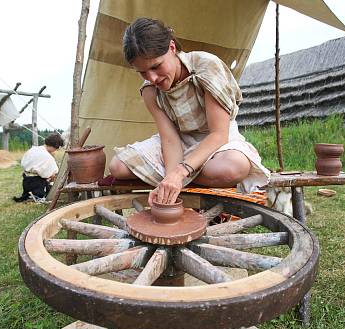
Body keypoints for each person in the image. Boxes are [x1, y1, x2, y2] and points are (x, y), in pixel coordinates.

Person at [109, 17, 272, 207]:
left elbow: (218, 134)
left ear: (172, 48)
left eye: (156, 66)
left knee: (234, 167)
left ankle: (181, 179)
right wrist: (172, 176)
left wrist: (180, 173)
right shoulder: (150, 90)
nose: (152, 78)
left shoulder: (206, 68)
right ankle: (177, 182)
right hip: (179, 142)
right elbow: (169, 139)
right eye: (143, 72)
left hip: (217, 142)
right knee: (118, 166)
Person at [13, 133, 64, 202]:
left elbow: (23, 163)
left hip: (26, 181)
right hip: (36, 183)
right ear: (55, 146)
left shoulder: (32, 150)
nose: (56, 150)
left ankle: (29, 194)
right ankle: (36, 195)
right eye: (57, 148)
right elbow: (53, 173)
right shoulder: (47, 157)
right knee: (52, 185)